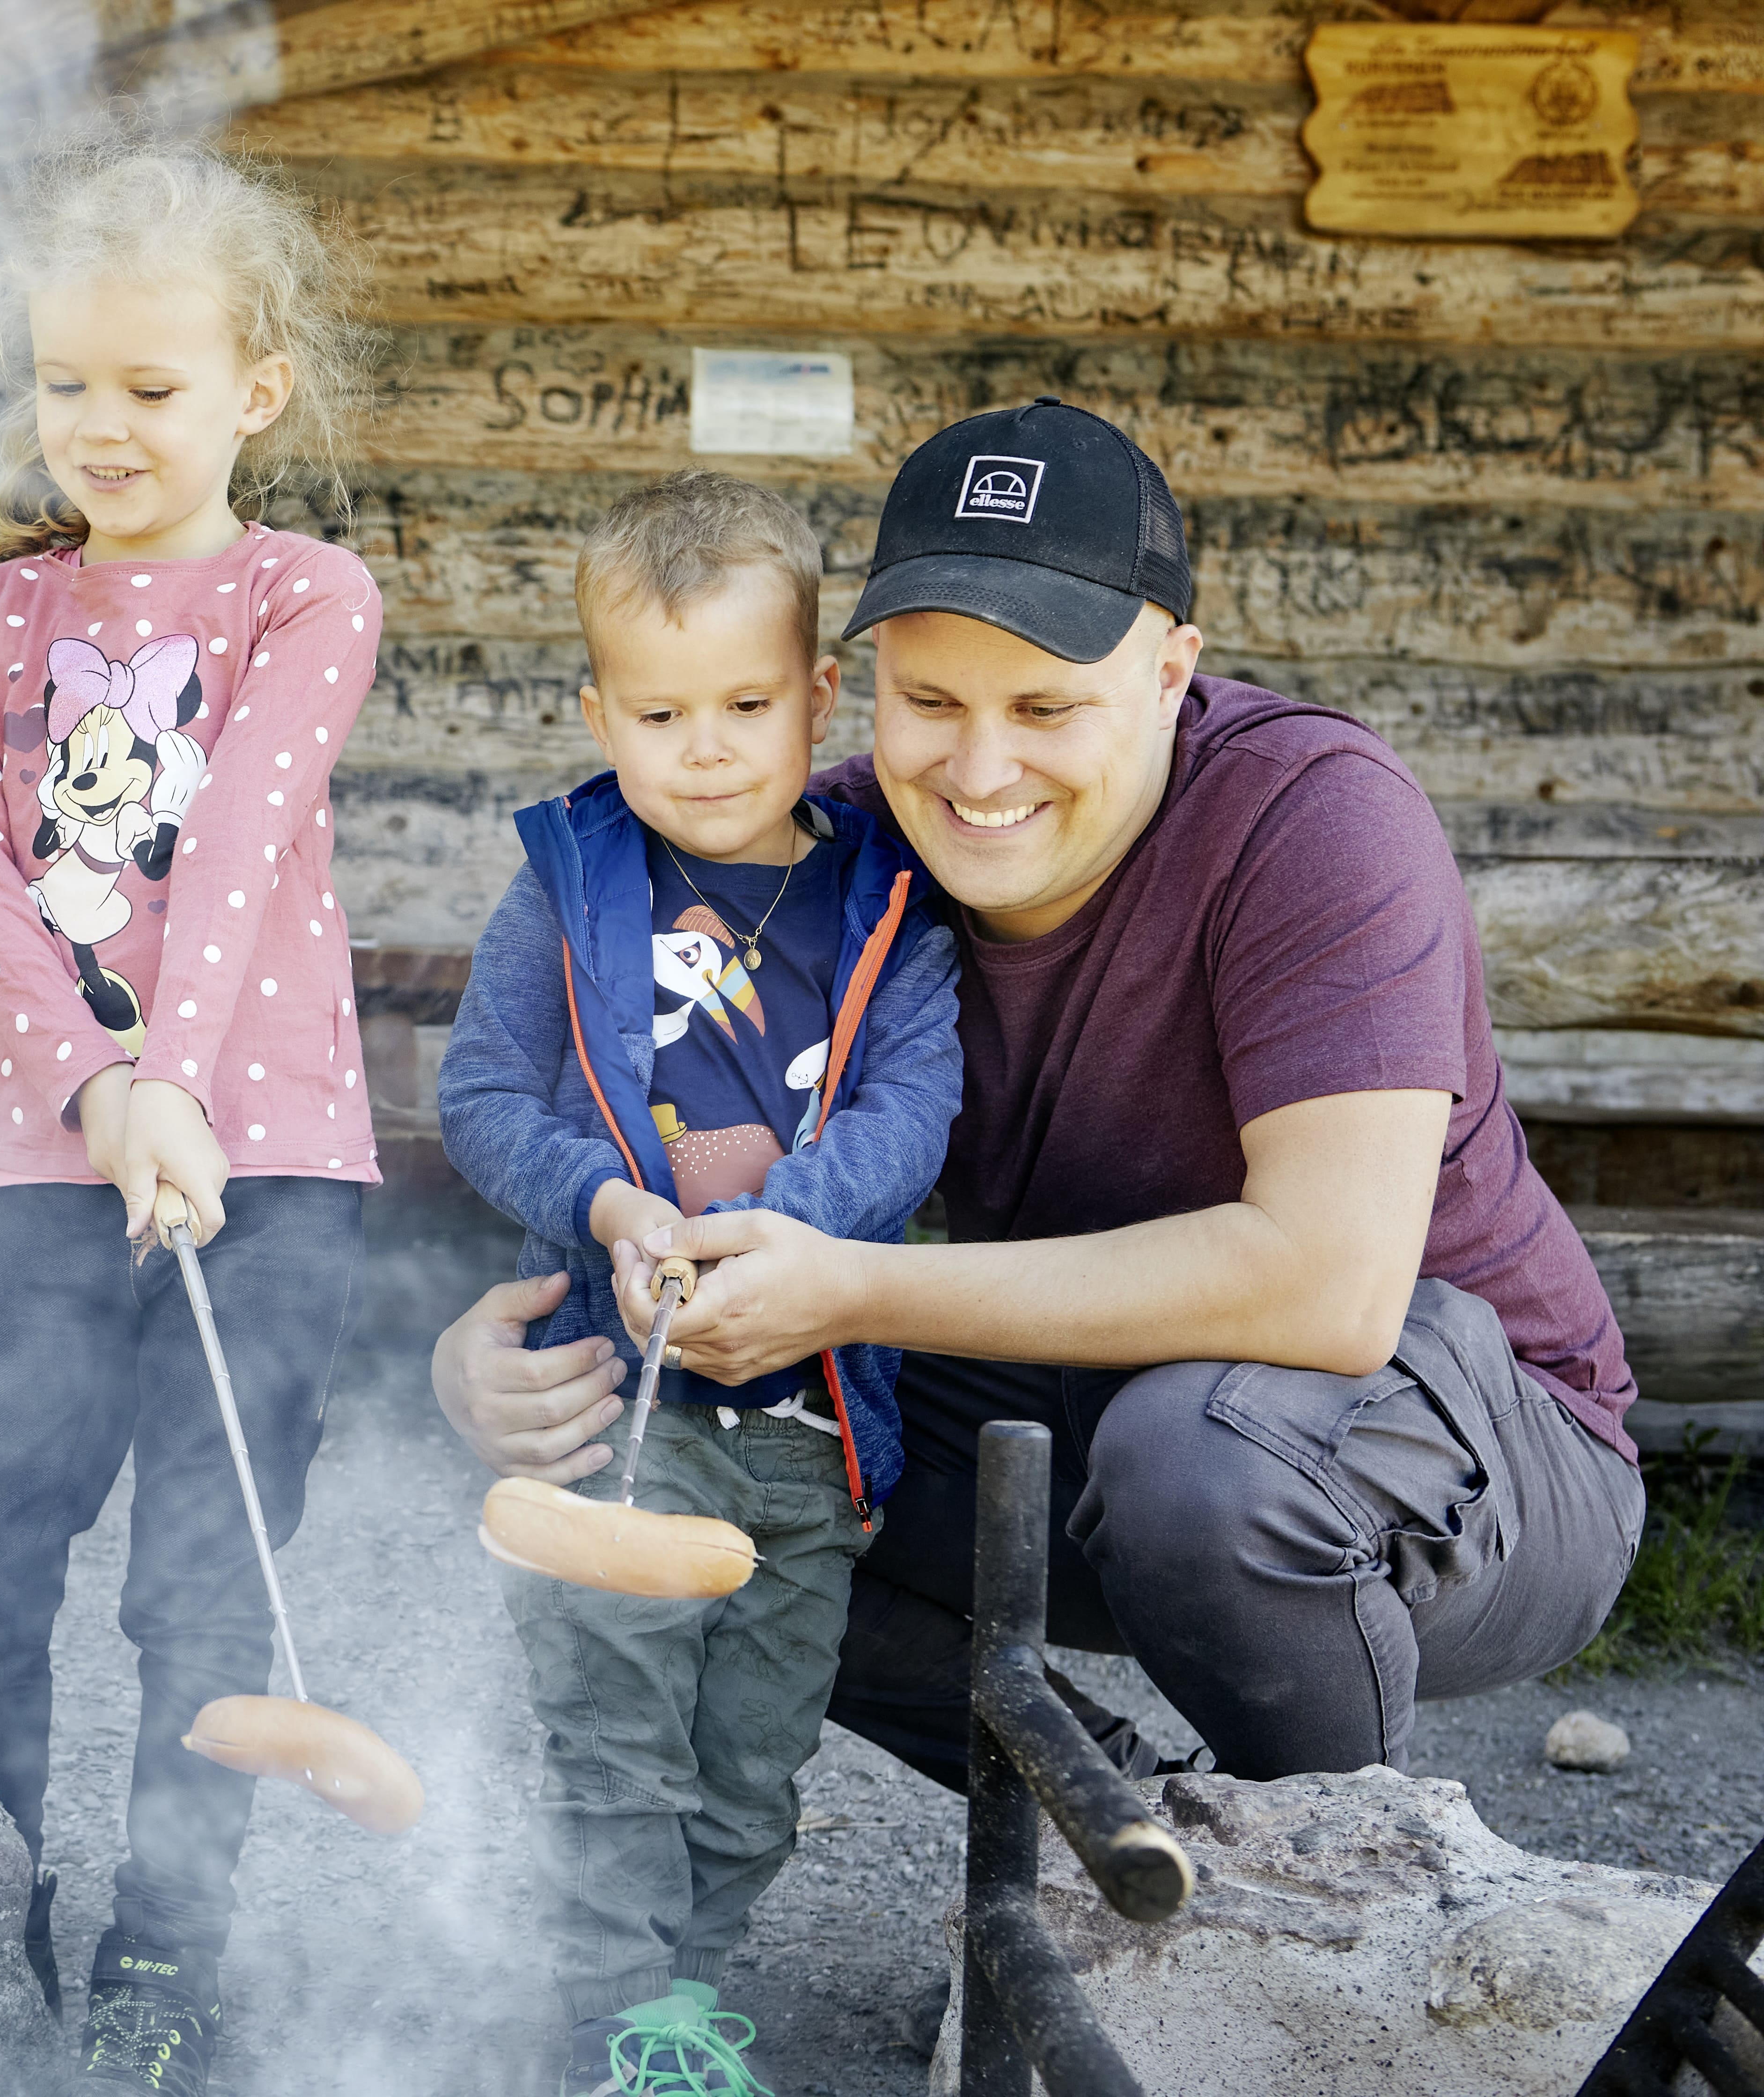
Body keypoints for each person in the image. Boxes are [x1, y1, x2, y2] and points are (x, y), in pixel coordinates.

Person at [434, 399, 1645, 1795]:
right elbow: (588, 1097)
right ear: (859, 682)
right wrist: (525, 1353)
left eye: (1046, 708)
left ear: (1172, 671)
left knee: (1201, 1455)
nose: (980, 771)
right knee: (732, 1446)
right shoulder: (831, 859)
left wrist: (850, 1291)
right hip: (1108, 1394)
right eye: (931, 703)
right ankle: (1117, 1825)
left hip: (1474, 1455)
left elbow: (1331, 1292)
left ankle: (1320, 1882)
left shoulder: (1314, 816)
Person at [0, 138, 380, 2094]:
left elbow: (244, 844)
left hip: (271, 1167)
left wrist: (174, 1087)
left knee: (204, 1569)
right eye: (65, 381)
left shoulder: (305, 595)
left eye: (151, 386)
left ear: (258, 388)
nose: (100, 425)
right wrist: (103, 1089)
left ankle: (167, 1943)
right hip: (54, 1156)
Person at [436, 475, 960, 2097]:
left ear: (818, 696)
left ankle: (691, 1992)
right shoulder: (569, 883)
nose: (708, 749)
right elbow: (483, 1096)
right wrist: (603, 1203)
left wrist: (782, 1230)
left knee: (751, 1761)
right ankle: (620, 2021)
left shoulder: (889, 902)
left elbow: (913, 1109)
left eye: (746, 705)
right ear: (600, 713)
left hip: (811, 1428)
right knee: (616, 1738)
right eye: (660, 714)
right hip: (625, 1409)